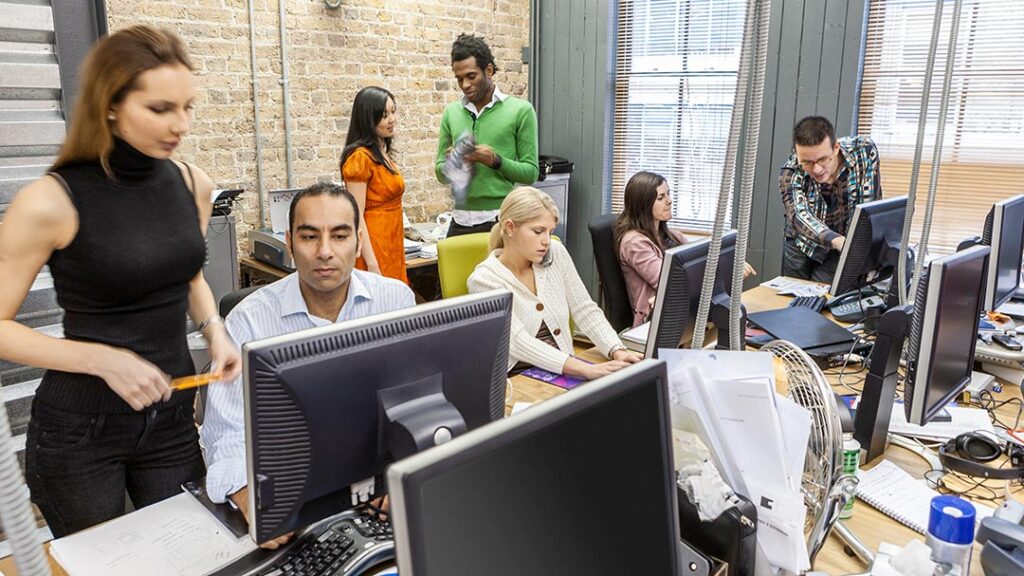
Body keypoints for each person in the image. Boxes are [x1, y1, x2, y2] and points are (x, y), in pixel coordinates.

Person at [0, 26, 241, 537]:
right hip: (80, 434)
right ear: (110, 104)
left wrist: (214, 331)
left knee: (193, 556)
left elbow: (186, 272)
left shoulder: (190, 182)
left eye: (188, 107)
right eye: (160, 109)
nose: (181, 125)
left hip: (173, 416)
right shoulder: (50, 201)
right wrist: (100, 358)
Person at [202, 183, 415, 548]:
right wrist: (246, 493)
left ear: (359, 241)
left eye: (340, 235)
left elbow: (413, 402)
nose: (325, 252)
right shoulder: (249, 321)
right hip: (291, 491)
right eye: (309, 236)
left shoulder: (394, 300)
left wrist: (406, 469)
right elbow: (225, 429)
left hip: (373, 486)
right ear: (289, 242)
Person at [468, 187, 642, 380]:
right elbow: (517, 341)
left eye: (550, 232)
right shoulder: (483, 280)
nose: (547, 241)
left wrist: (615, 348)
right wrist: (584, 369)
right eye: (538, 231)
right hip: (517, 380)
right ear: (510, 227)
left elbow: (584, 308)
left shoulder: (555, 253)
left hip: (565, 369)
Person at [615, 172, 756, 327]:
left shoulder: (672, 236)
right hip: (654, 321)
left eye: (668, 194)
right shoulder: (634, 243)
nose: (669, 201)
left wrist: (729, 266)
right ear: (643, 204)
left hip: (685, 311)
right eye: (660, 198)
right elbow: (669, 282)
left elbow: (698, 263)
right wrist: (726, 272)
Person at [435, 33, 539, 237]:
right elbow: (440, 174)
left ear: (489, 70)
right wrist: (452, 164)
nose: (465, 84)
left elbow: (531, 173)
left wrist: (494, 160)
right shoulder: (451, 112)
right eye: (459, 79)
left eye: (471, 76)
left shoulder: (521, 111)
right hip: (459, 220)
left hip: (501, 220)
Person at [780, 116, 882, 283]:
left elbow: (867, 206)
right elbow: (798, 213)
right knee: (792, 301)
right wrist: (835, 240)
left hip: (842, 243)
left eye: (822, 159)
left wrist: (855, 245)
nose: (817, 169)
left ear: (836, 148)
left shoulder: (864, 151)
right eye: (807, 162)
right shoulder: (791, 171)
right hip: (802, 243)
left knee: (824, 298)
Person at [341, 86, 408, 285]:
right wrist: (372, 263)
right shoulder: (360, 158)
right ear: (368, 119)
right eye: (384, 115)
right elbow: (356, 214)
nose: (392, 119)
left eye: (393, 111)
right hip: (374, 243)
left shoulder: (381, 153)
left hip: (392, 241)